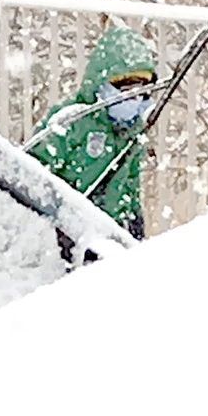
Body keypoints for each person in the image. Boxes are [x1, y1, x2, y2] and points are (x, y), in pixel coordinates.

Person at [28, 27, 156, 251]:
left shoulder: (133, 136)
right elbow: (33, 175)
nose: (135, 100)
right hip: (65, 238)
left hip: (107, 241)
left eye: (143, 92)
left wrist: (134, 228)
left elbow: (130, 190)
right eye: (128, 90)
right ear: (102, 84)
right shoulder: (72, 122)